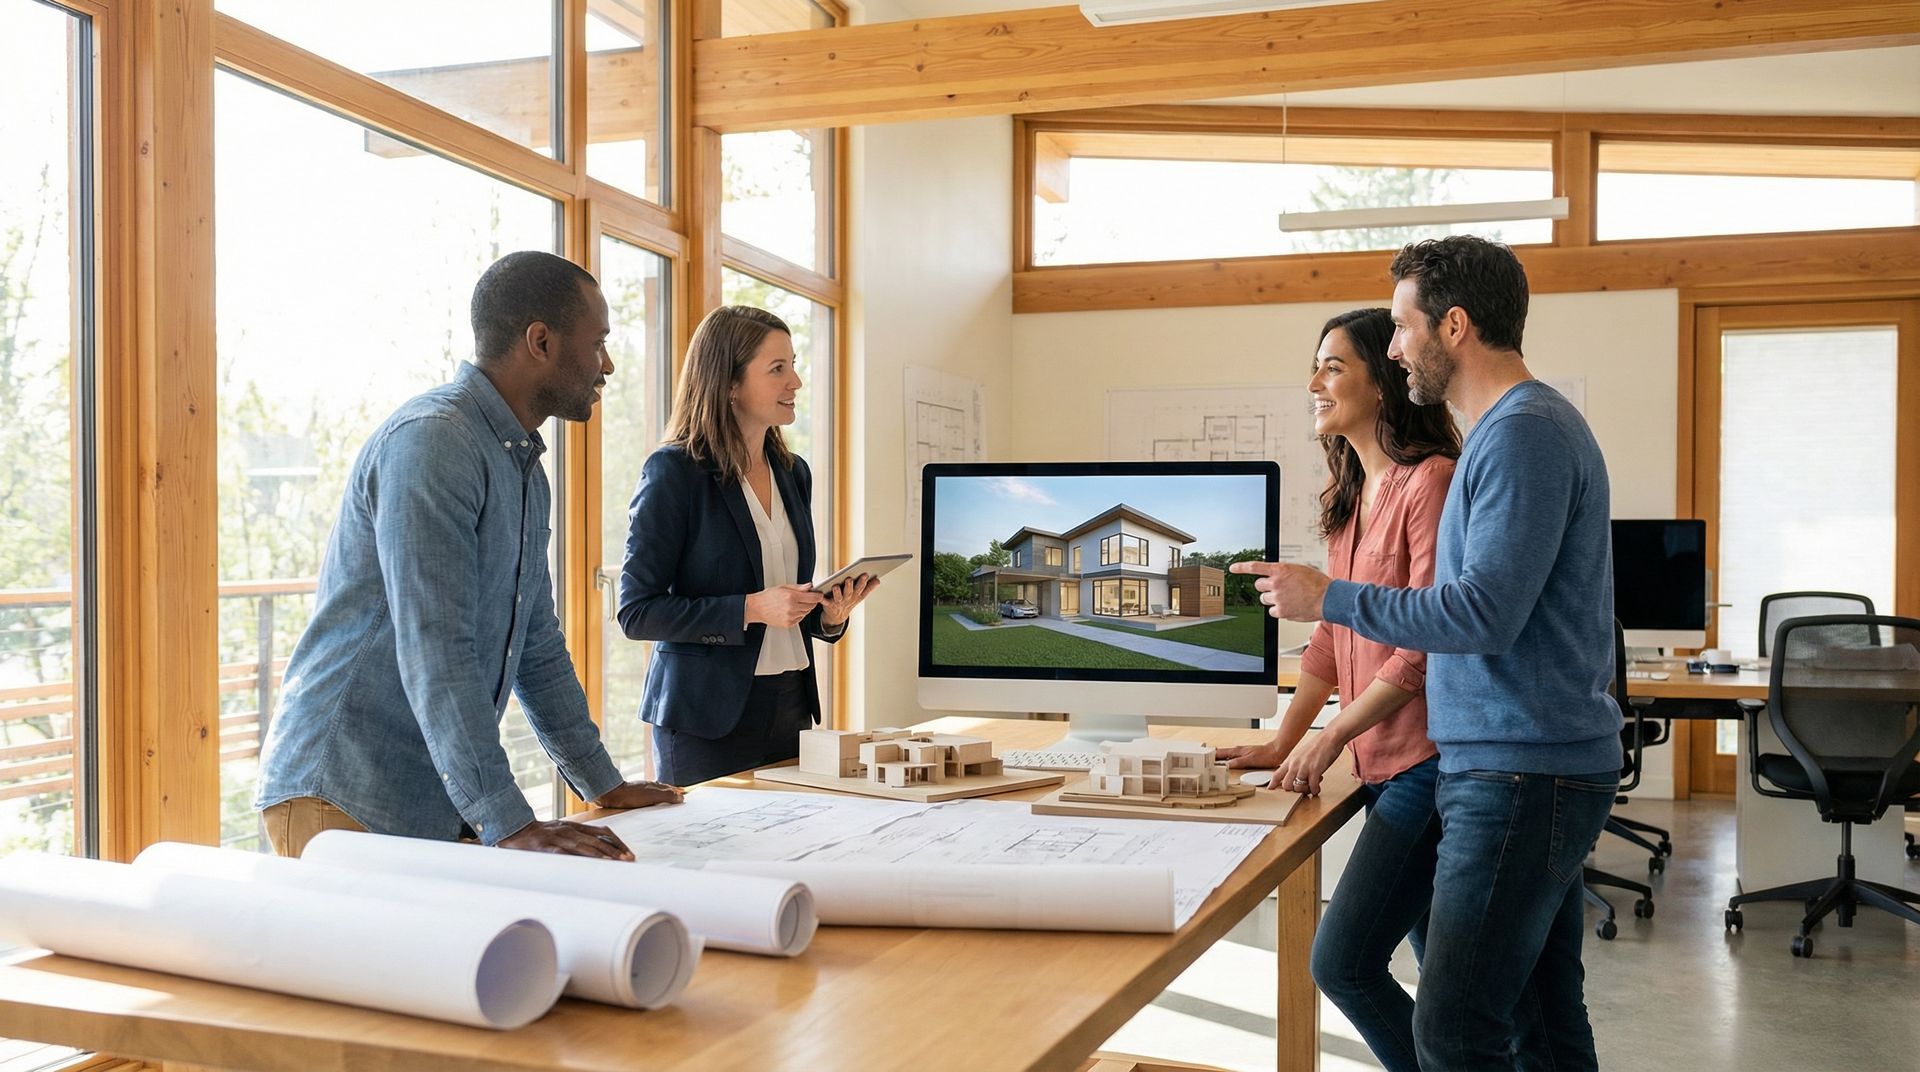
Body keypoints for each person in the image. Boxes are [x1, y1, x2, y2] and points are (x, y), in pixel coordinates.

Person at [1232, 236, 1621, 1071]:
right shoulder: (1508, 433)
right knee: (1542, 1022)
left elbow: (1483, 613)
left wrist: (1326, 596)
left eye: (1404, 329)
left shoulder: (1523, 435)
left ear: (1453, 326)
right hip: (1517, 763)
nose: (1398, 346)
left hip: (1520, 769)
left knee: (1453, 1030)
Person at [255, 250, 682, 860]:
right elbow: (437, 648)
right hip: (345, 796)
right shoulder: (434, 442)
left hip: (430, 798)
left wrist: (603, 785)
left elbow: (536, 642)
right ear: (540, 341)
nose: (607, 365)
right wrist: (508, 821)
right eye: (598, 343)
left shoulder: (526, 472)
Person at [1214, 307, 1457, 1072]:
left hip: (1428, 763)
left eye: (1333, 366)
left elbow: (1421, 645)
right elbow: (1329, 637)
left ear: (1382, 383)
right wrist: (1281, 741)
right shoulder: (1351, 496)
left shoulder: (1431, 483)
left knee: (1343, 962)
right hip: (1383, 768)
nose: (1314, 383)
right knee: (1439, 979)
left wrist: (1331, 737)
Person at [619, 306, 876, 786]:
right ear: (729, 384)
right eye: (777, 369)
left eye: (794, 365)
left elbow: (785, 606)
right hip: (705, 721)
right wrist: (751, 608)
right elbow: (637, 612)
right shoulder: (674, 473)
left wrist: (829, 616)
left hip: (791, 707)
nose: (795, 381)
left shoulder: (793, 472)